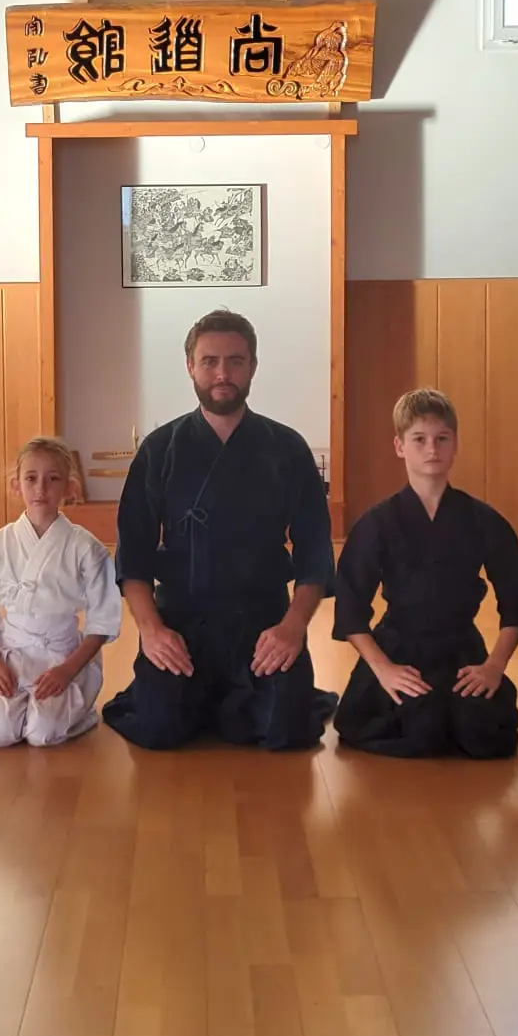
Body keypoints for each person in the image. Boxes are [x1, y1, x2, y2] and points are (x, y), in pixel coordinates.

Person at [102, 310, 337, 751]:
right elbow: (132, 556)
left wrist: (292, 627)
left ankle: (236, 699)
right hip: (182, 620)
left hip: (263, 621)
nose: (223, 373)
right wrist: (152, 631)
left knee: (285, 730)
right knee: (158, 728)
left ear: (253, 366)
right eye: (209, 361)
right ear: (190, 367)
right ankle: (207, 700)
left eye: (236, 360)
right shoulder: (159, 450)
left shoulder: (286, 448)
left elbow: (314, 556)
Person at [331, 389, 518, 759]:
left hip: (462, 650)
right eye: (419, 439)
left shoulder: (483, 520)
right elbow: (350, 608)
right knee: (417, 731)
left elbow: (517, 602)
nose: (432, 449)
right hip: (398, 648)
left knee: (482, 736)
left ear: (456, 445)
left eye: (442, 439)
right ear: (399, 446)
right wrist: (384, 669)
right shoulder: (377, 523)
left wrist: (493, 666)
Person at [0, 437, 122, 748]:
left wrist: (67, 669)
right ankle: (5, 705)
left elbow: (102, 622)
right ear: (16, 485)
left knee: (43, 732)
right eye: (31, 478)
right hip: (10, 652)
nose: (41, 489)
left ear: (70, 488)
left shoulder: (86, 548)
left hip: (63, 654)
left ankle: (70, 705)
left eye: (53, 479)